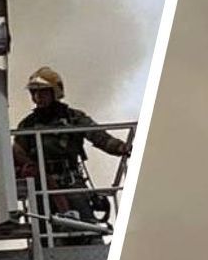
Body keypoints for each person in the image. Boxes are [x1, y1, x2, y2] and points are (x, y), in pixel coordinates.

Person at [14, 67, 130, 231]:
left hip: (71, 182)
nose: (37, 97)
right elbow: (17, 154)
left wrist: (119, 147)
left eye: (43, 92)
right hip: (41, 187)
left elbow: (98, 136)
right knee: (45, 233)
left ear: (55, 92)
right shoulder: (27, 125)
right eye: (34, 93)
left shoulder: (73, 118)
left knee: (86, 229)